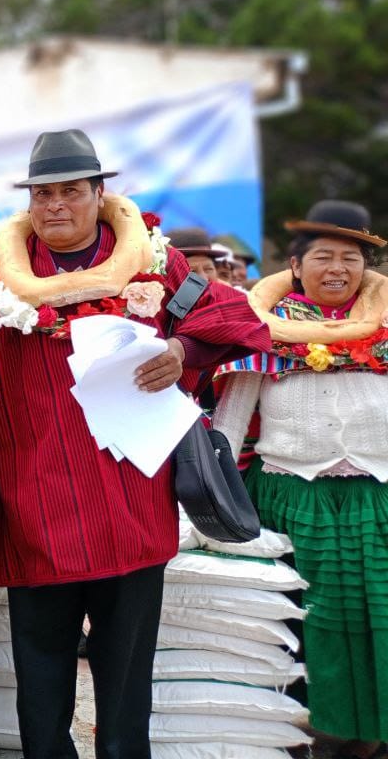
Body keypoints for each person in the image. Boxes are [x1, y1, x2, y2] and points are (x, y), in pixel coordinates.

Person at [0, 129, 268, 759]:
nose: (56, 206)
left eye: (72, 191)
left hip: (131, 500)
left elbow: (241, 321)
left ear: (101, 195)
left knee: (126, 677)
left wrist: (184, 347)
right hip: (33, 499)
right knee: (41, 677)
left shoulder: (154, 262)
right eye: (43, 194)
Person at [213, 200, 388, 759]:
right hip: (293, 497)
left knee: (378, 617)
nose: (337, 268)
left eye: (351, 259)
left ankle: (373, 738)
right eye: (323, 257)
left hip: (377, 498)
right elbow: (232, 419)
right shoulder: (262, 330)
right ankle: (306, 735)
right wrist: (213, 496)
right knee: (308, 624)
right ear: (294, 265)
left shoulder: (385, 327)